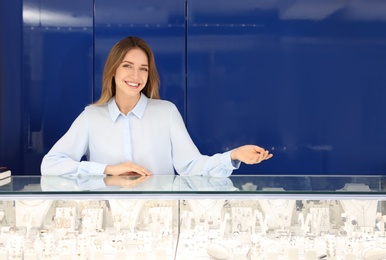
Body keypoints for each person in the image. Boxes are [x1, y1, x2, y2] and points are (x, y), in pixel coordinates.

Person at [41, 36, 273, 177]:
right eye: (127, 66)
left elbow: (191, 166)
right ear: (113, 71)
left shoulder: (166, 112)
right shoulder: (91, 117)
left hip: (159, 217)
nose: (136, 75)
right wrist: (107, 170)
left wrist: (232, 156)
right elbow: (50, 165)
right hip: (107, 218)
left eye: (143, 68)